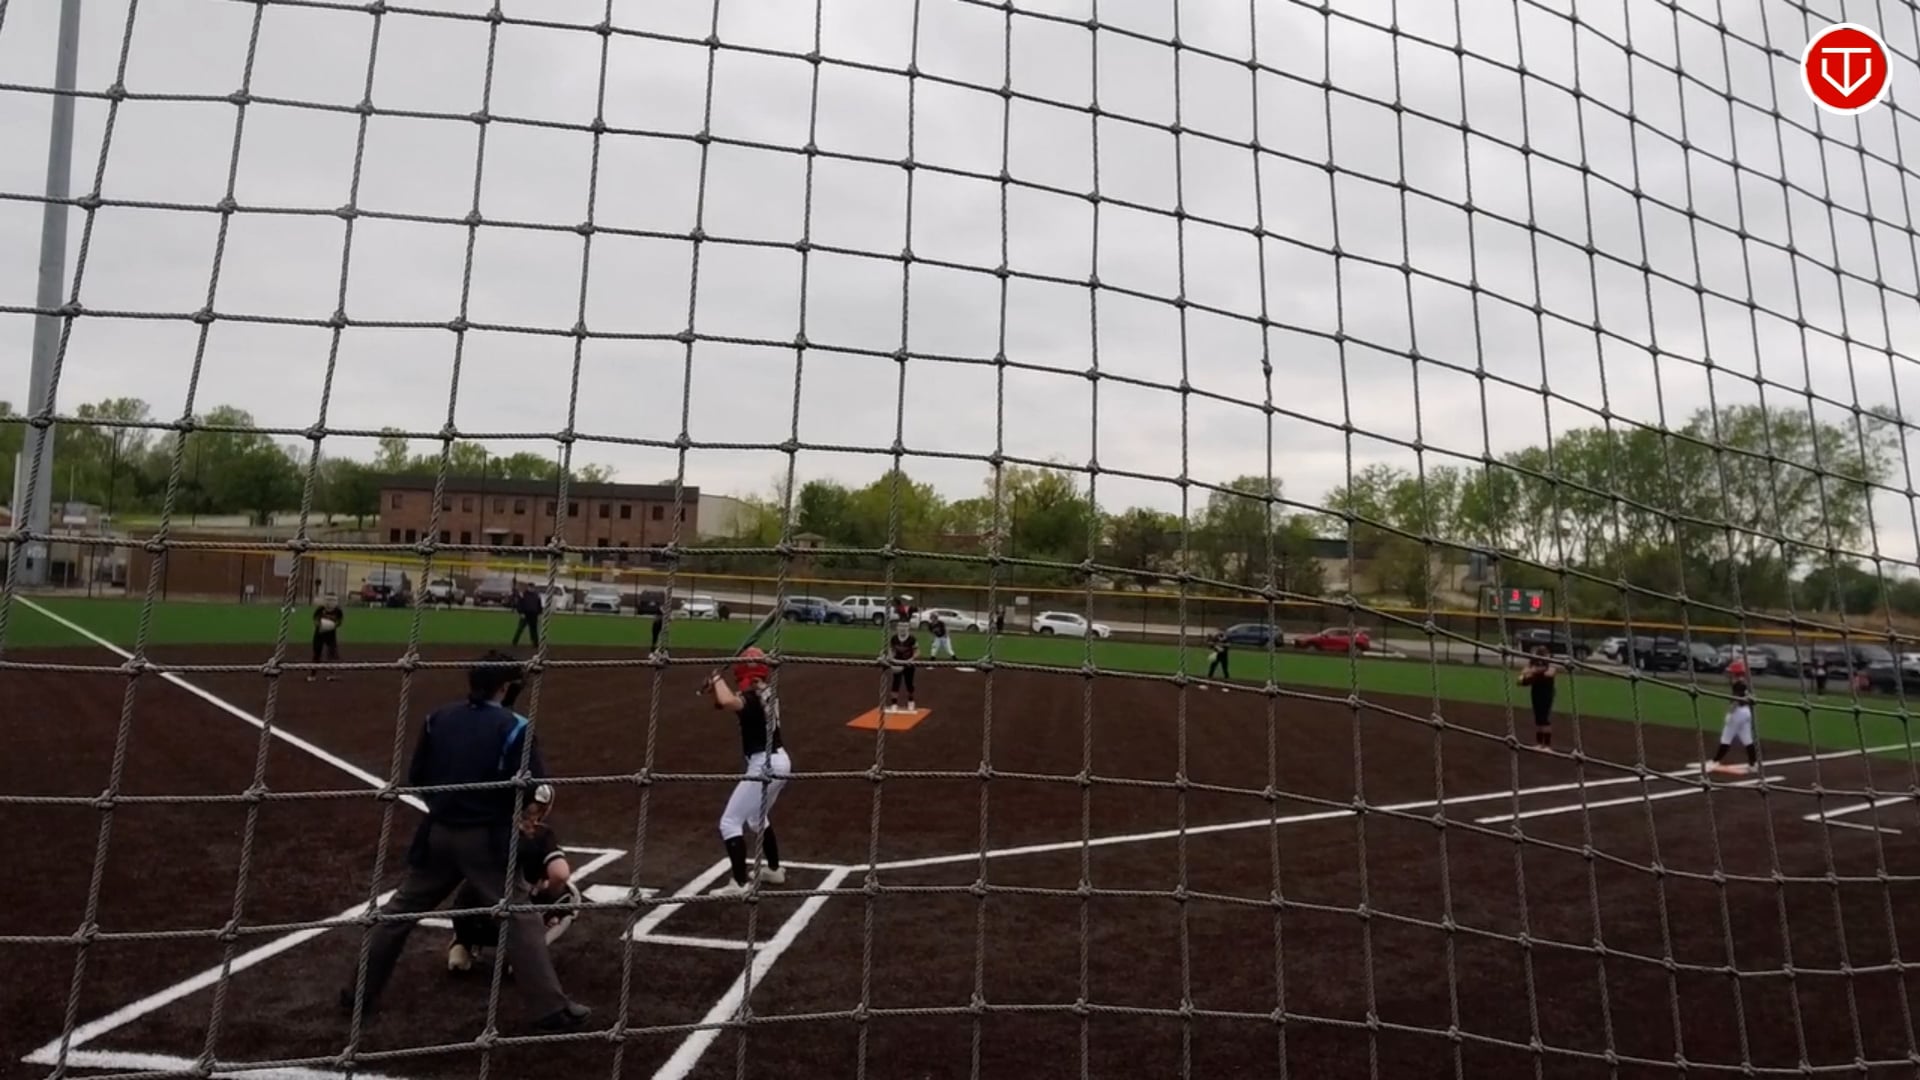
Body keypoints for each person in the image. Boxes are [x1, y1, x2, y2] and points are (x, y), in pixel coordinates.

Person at [336, 652, 590, 1033]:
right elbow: (534, 788)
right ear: (505, 688)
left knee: (398, 913)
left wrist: (448, 805)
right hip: (487, 839)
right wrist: (515, 814)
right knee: (520, 917)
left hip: (437, 834)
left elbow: (418, 776)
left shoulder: (438, 718)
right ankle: (551, 1010)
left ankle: (356, 994)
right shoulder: (515, 726)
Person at [447, 782, 576, 975]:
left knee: (476, 887)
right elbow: (560, 874)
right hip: (511, 924)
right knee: (569, 897)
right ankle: (526, 956)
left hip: (469, 920)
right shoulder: (541, 835)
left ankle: (461, 945)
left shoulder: (483, 828)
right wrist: (544, 894)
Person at [703, 647, 792, 898]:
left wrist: (716, 678)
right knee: (756, 818)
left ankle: (740, 884)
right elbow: (723, 702)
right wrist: (715, 687)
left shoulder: (752, 697)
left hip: (764, 764)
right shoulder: (767, 692)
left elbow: (728, 701)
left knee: (729, 822)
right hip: (780, 761)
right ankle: (773, 870)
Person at [1705, 680, 1759, 776]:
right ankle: (1753, 764)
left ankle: (1715, 761)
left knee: (1726, 738)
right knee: (1747, 740)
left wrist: (1729, 715)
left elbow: (1734, 704)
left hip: (1737, 714)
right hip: (1746, 713)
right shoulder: (1747, 692)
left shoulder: (1737, 693)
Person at [1516, 644, 1557, 750]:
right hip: (1536, 691)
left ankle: (1547, 745)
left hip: (1546, 693)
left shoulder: (1550, 663)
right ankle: (1539, 743)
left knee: (1544, 718)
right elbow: (1524, 672)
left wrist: (1534, 671)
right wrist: (1532, 673)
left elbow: (1550, 673)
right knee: (1538, 718)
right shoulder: (1533, 662)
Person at [310, 594, 344, 682]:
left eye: (332, 600)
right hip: (319, 634)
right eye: (328, 600)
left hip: (331, 635)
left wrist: (333, 625)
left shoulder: (338, 611)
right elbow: (315, 619)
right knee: (316, 654)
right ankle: (313, 674)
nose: (330, 602)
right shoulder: (320, 609)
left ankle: (332, 674)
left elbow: (339, 621)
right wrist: (320, 625)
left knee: (332, 654)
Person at [885, 621, 918, 713]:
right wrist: (891, 657)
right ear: (897, 628)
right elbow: (892, 650)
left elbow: (917, 651)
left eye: (904, 627)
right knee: (896, 683)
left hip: (908, 664)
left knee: (909, 684)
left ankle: (911, 701)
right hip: (897, 663)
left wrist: (911, 659)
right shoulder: (894, 638)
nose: (902, 629)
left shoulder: (912, 639)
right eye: (900, 626)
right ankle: (894, 704)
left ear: (908, 628)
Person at [512, 584, 543, 648]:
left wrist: (539, 612)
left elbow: (539, 605)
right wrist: (521, 612)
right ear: (528, 588)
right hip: (525, 614)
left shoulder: (536, 595)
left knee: (533, 630)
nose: (531, 589)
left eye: (532, 587)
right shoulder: (523, 595)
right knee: (520, 628)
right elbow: (519, 604)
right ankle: (514, 641)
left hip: (533, 615)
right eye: (530, 587)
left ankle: (535, 643)